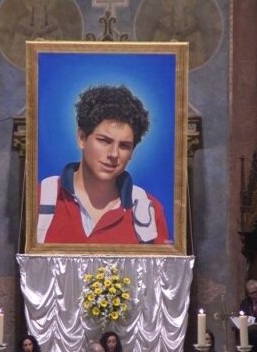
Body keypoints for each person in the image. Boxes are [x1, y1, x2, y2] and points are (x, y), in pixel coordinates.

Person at [37, 85, 169, 245]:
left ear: (132, 152)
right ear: (82, 138)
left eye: (124, 146)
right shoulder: (40, 199)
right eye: (104, 141)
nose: (114, 154)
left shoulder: (150, 211)